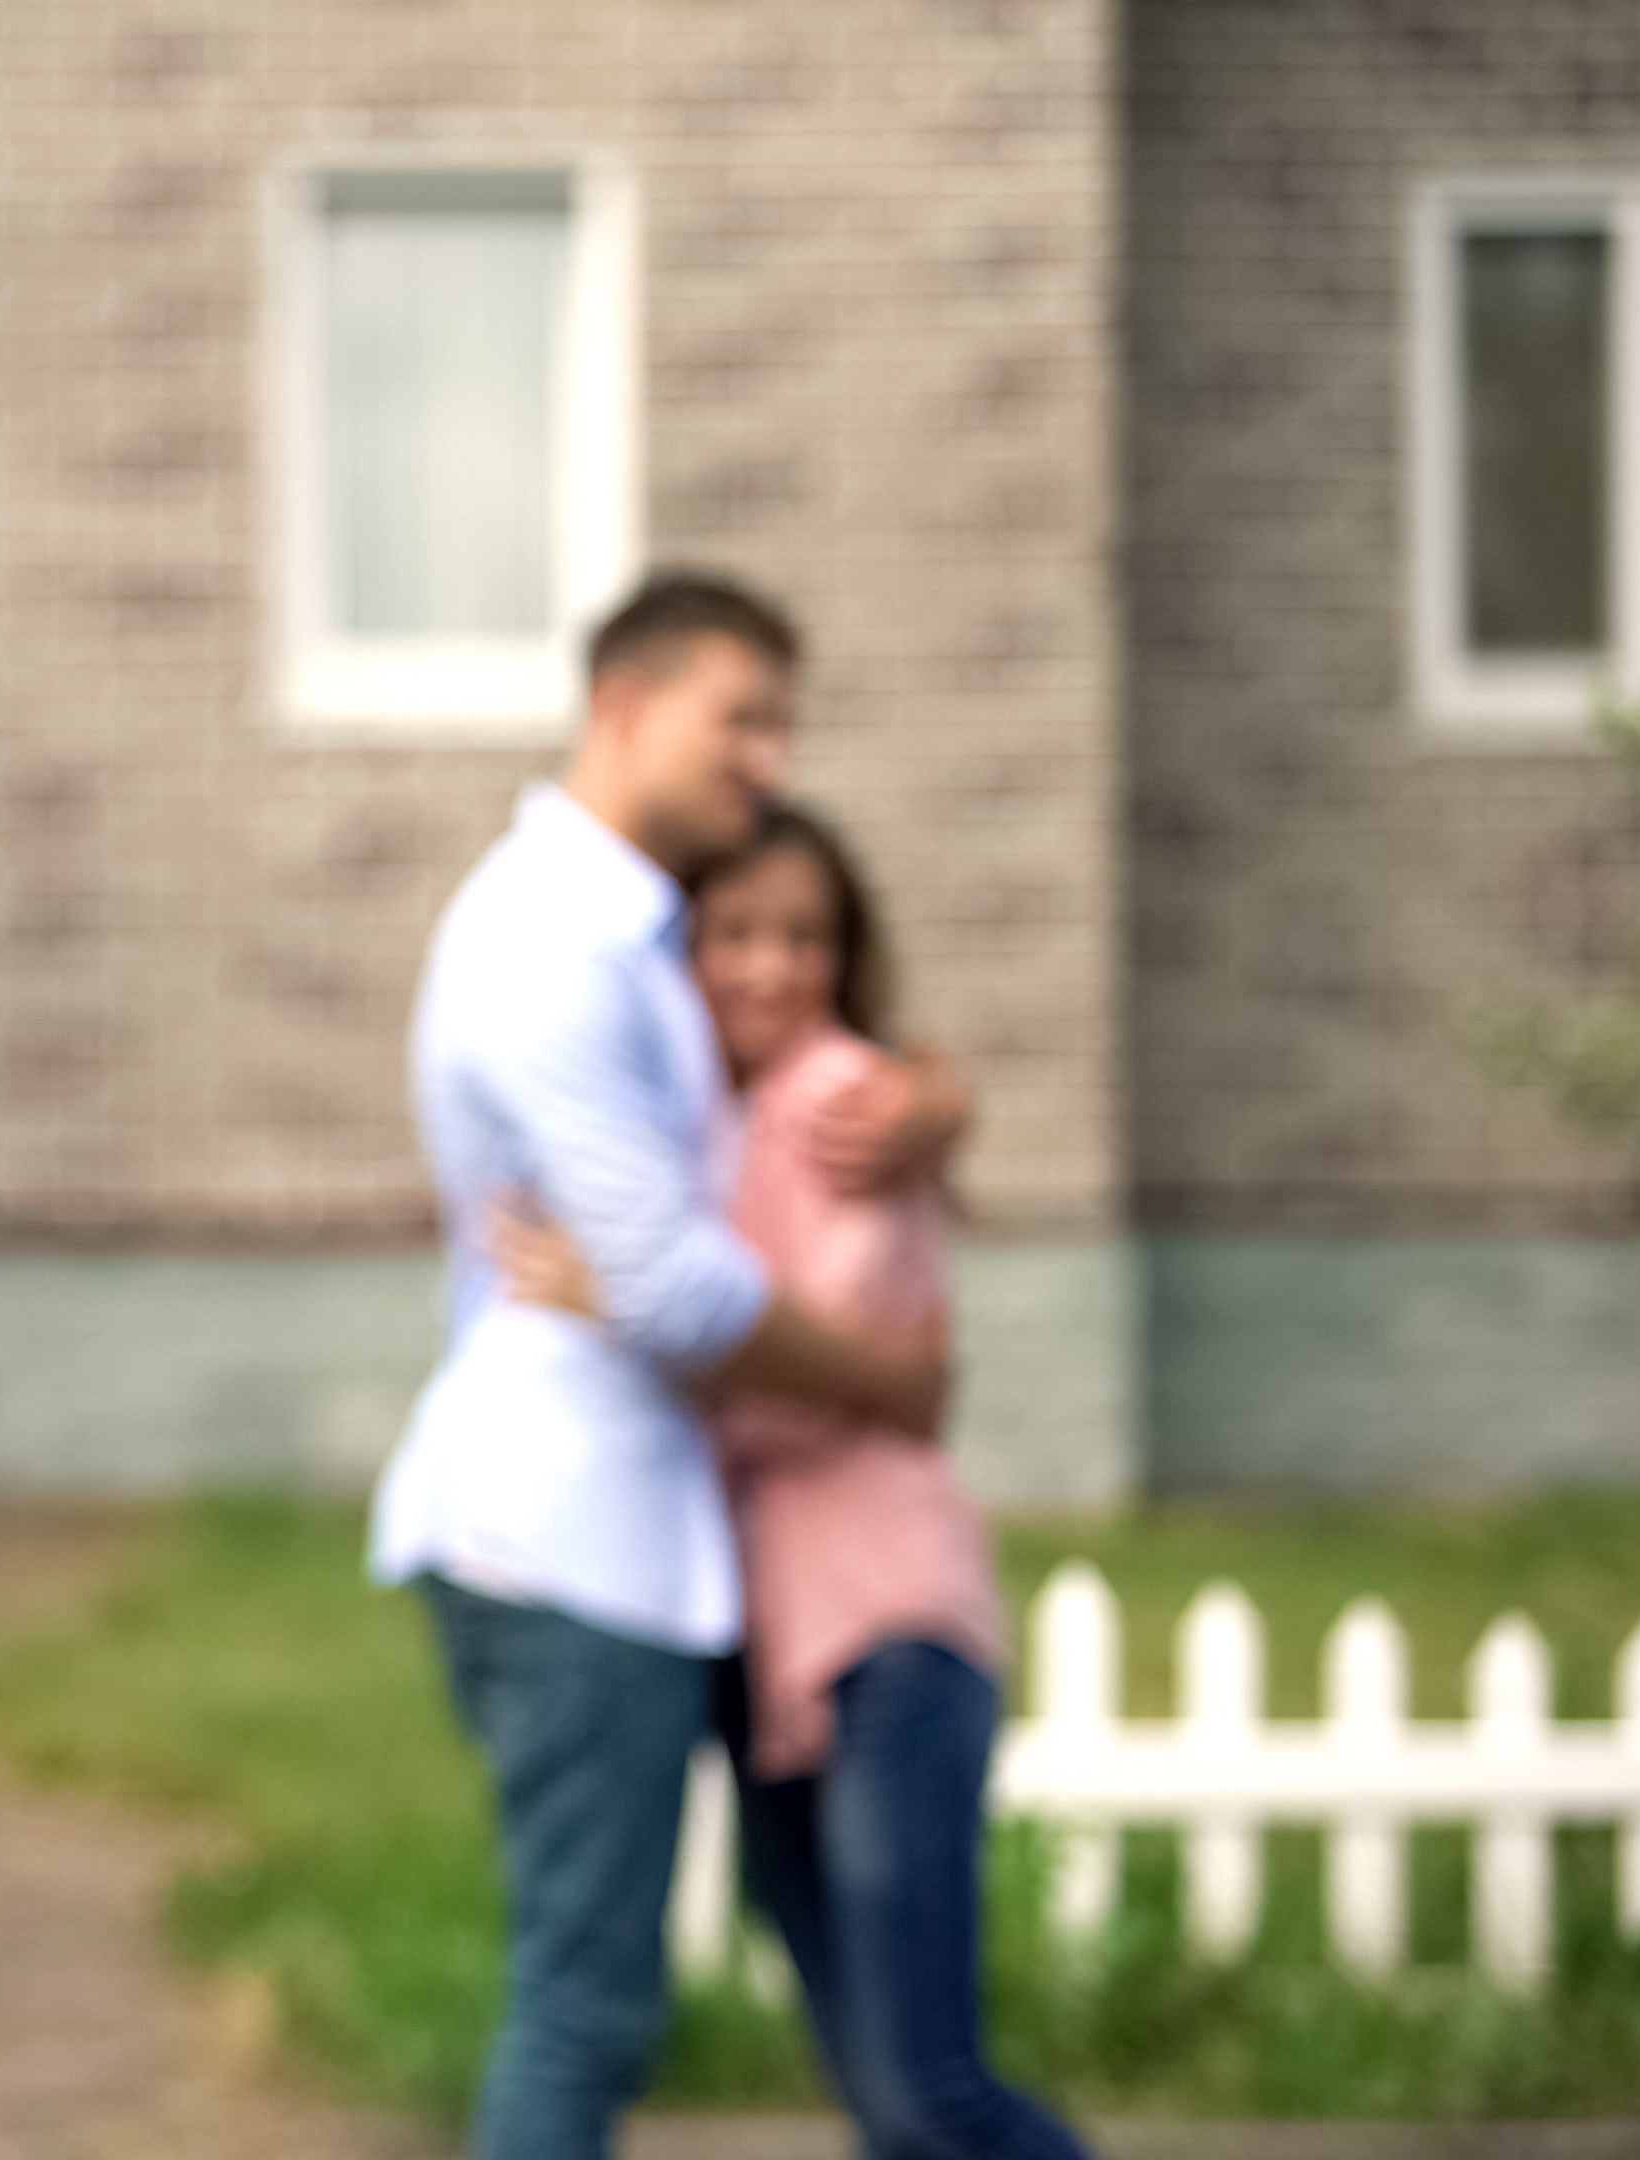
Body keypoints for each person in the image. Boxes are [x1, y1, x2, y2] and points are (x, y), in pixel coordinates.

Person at [366, 571, 963, 2160]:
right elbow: (676, 1286)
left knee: (627, 2004)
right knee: (586, 2009)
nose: (771, 758)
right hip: (563, 1535)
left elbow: (789, 1102)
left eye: (785, 724)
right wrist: (894, 1386)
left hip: (645, 1537)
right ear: (623, 708)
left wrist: (936, 1097)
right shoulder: (548, 941)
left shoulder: (640, 933)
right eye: (741, 718)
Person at [493, 807, 1090, 2160]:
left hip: (888, 1629)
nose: (770, 967)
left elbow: (835, 1365)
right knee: (884, 2102)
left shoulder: (843, 1105)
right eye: (735, 934)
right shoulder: (706, 1116)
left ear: (848, 953)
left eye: (805, 936)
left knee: (930, 2089)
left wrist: (621, 1300)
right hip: (772, 1653)